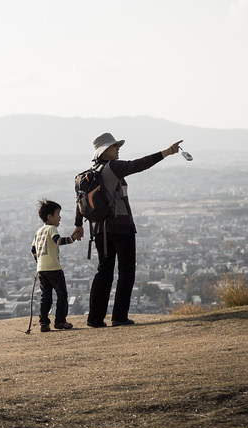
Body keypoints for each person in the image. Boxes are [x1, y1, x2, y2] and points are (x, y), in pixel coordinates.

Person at [72, 132, 184, 328]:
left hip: (99, 230)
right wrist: (167, 152)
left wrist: (79, 225)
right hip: (121, 227)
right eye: (115, 147)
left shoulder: (88, 174)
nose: (118, 149)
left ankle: (95, 319)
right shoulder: (113, 167)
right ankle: (119, 317)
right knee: (126, 272)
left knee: (103, 272)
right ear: (105, 151)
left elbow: (79, 202)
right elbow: (138, 165)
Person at [31, 199, 77, 332]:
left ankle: (44, 323)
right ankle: (60, 321)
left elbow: (33, 250)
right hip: (54, 268)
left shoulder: (38, 232)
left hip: (42, 269)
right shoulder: (52, 228)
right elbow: (58, 241)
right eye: (58, 214)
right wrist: (73, 238)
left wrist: (39, 262)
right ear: (49, 217)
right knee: (62, 294)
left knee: (46, 296)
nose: (60, 217)